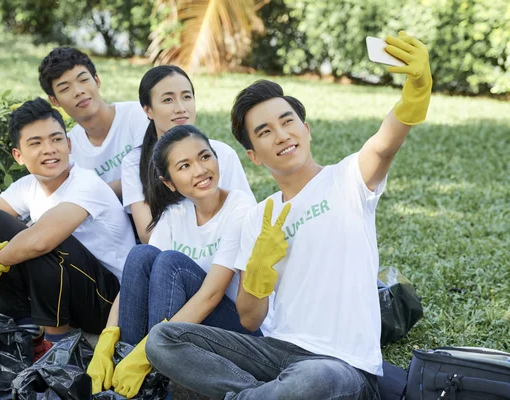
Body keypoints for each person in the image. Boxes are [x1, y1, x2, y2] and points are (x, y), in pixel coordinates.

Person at [144, 31, 432, 399]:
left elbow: (385, 143)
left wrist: (416, 91)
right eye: (264, 132)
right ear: (254, 156)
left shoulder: (347, 180)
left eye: (287, 121)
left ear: (306, 130)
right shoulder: (259, 216)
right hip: (276, 353)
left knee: (311, 381)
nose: (281, 135)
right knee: (163, 339)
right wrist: (259, 278)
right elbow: (249, 318)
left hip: (341, 365)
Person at [87, 125, 263, 398]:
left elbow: (212, 295)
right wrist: (108, 336)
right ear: (168, 182)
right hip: (185, 331)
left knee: (172, 264)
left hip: (237, 333)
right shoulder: (175, 214)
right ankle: (126, 366)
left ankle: (154, 373)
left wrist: (148, 353)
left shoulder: (240, 208)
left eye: (205, 157)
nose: (200, 170)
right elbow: (133, 279)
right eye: (184, 166)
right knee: (141, 255)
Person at [0, 98, 135, 361]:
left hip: (109, 303)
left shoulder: (85, 183)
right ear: (18, 155)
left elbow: (41, 242)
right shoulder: (27, 186)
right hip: (71, 292)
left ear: (69, 144)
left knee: (43, 239)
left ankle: (56, 346)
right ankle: (25, 331)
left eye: (56, 139)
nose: (49, 149)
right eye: (36, 143)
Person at [121, 65, 254, 243]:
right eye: (168, 100)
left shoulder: (222, 153)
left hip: (220, 252)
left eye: (187, 97)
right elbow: (147, 235)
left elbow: (246, 218)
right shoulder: (135, 161)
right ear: (148, 110)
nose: (181, 108)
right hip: (168, 254)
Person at [38, 47, 149, 201]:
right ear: (54, 101)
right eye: (65, 88)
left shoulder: (139, 115)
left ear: (97, 80)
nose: (78, 91)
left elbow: (154, 174)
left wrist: (93, 195)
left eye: (83, 80)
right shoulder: (68, 147)